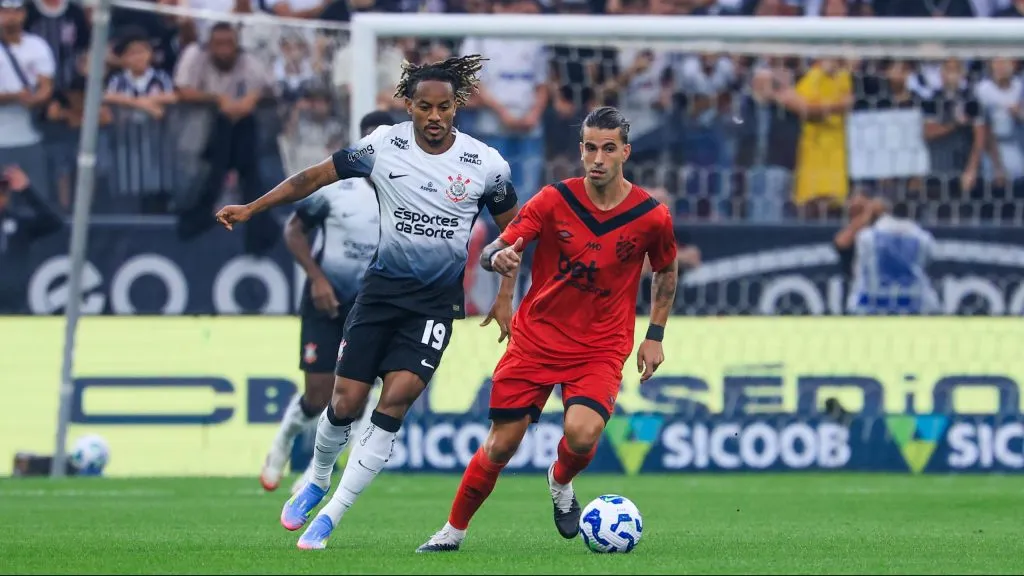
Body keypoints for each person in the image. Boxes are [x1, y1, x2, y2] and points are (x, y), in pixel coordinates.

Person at [214, 55, 520, 550]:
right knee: (343, 403)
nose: (435, 116)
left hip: (433, 308)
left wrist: (505, 295)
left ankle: (331, 516)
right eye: (424, 106)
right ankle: (317, 478)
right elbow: (312, 178)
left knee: (393, 403)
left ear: (456, 107)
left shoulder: (486, 164)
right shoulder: (382, 146)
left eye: (444, 107)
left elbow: (516, 235)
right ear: (409, 105)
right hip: (378, 296)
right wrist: (253, 207)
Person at [416, 106, 679, 553]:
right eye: (590, 148)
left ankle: (560, 480)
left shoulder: (652, 216)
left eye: (608, 149)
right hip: (537, 338)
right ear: (581, 150)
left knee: (582, 433)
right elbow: (499, 246)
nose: (598, 158)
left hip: (600, 345)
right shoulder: (554, 200)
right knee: (502, 444)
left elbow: (666, 271)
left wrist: (655, 335)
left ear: (625, 153)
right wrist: (496, 257)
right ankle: (452, 532)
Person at [258, 110, 394, 493]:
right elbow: (294, 231)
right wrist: (317, 278)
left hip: (368, 307)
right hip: (326, 297)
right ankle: (283, 440)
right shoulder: (337, 189)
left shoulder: (407, 195)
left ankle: (317, 473)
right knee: (319, 394)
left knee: (354, 396)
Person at [833, 194, 939, 315]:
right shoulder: (863, 235)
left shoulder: (877, 234)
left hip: (892, 297)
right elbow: (841, 243)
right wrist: (865, 217)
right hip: (866, 293)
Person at [0, 164, 62, 313]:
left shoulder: (18, 224)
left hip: (14, 304)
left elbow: (54, 222)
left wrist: (26, 190)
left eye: (3, 192)